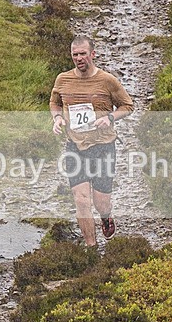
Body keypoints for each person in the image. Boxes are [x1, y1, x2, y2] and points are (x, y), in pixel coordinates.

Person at [50, 35, 134, 246]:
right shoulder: (63, 79)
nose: (79, 59)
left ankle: (106, 217)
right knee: (81, 200)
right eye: (75, 55)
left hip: (103, 147)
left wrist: (110, 117)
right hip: (75, 147)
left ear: (92, 54)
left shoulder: (107, 80)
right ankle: (91, 247)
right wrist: (58, 118)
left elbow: (128, 106)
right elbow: (54, 101)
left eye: (83, 54)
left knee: (101, 203)